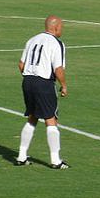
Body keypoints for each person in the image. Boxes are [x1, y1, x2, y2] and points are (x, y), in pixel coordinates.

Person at [16, 15, 70, 169]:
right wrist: (64, 85)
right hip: (44, 83)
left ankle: (21, 156)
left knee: (32, 117)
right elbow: (58, 69)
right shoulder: (57, 44)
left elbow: (21, 64)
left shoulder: (32, 39)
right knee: (51, 119)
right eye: (61, 26)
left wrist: (30, 79)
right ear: (55, 27)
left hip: (27, 81)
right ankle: (55, 160)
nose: (62, 29)